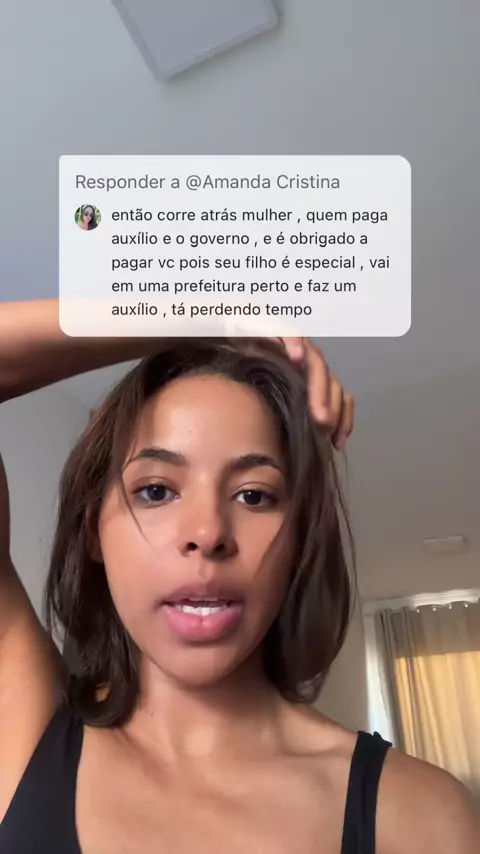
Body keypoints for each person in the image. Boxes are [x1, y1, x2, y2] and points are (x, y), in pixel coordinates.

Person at [0, 299, 477, 854]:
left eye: (254, 496)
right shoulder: (25, 730)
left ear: (298, 541)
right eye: (156, 490)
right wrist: (211, 312)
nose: (208, 533)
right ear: (92, 533)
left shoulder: (420, 816)